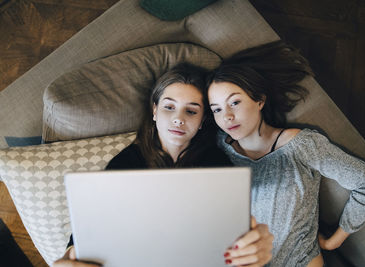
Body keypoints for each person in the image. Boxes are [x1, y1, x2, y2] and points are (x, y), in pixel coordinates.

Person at [53, 63, 274, 267]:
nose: (179, 119)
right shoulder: (126, 163)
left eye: (191, 110)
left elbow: (234, 230)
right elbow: (93, 225)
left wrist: (253, 245)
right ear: (155, 111)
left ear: (201, 121)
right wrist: (71, 253)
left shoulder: (218, 165)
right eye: (169, 107)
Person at [206, 41, 365, 267]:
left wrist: (334, 241)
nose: (227, 117)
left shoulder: (299, 145)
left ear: (259, 100)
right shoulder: (220, 145)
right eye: (216, 109)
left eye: (234, 102)